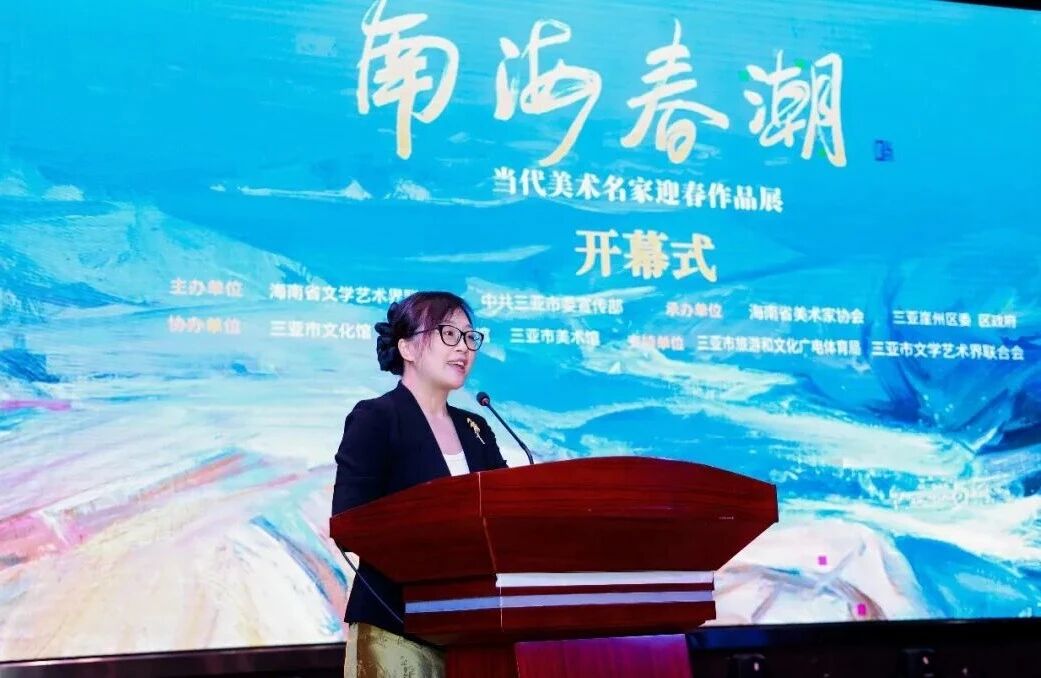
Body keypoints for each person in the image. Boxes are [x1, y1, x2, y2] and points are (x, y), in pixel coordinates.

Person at [332, 291, 509, 678]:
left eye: (470, 337)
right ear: (408, 347)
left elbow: (505, 513)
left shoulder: (476, 427)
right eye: (449, 334)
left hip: (474, 628)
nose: (463, 348)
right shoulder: (376, 418)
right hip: (396, 626)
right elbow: (348, 520)